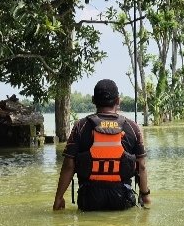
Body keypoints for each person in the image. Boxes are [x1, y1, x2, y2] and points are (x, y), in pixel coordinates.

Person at [53, 79, 151, 211]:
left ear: (93, 100)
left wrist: (59, 197)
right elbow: (142, 167)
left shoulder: (80, 126)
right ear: (118, 101)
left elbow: (68, 165)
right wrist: (145, 195)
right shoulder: (133, 127)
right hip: (122, 198)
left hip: (89, 199)